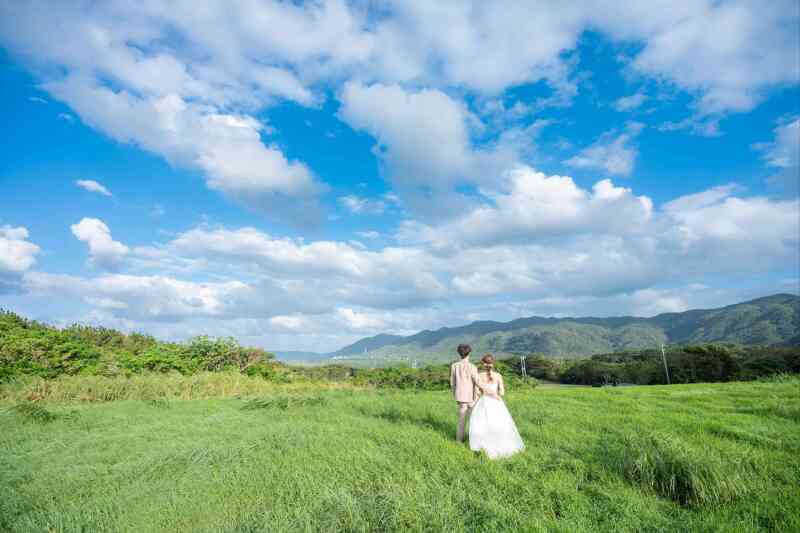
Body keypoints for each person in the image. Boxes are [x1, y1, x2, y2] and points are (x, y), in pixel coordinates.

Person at [469, 354, 525, 459]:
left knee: (483, 424)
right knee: (499, 424)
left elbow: (477, 392)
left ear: (483, 364)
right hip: (497, 402)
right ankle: (502, 444)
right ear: (493, 363)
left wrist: (482, 394)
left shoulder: (479, 376)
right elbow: (502, 392)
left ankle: (485, 446)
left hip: (484, 402)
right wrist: (495, 394)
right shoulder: (498, 375)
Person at [450, 343, 480, 443]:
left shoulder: (454, 366)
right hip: (472, 396)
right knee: (473, 420)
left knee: (461, 420)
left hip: (459, 396)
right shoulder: (473, 367)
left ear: (459, 353)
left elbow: (452, 383)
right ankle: (473, 442)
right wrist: (477, 395)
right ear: (469, 353)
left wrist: (454, 394)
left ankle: (459, 441)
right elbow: (477, 383)